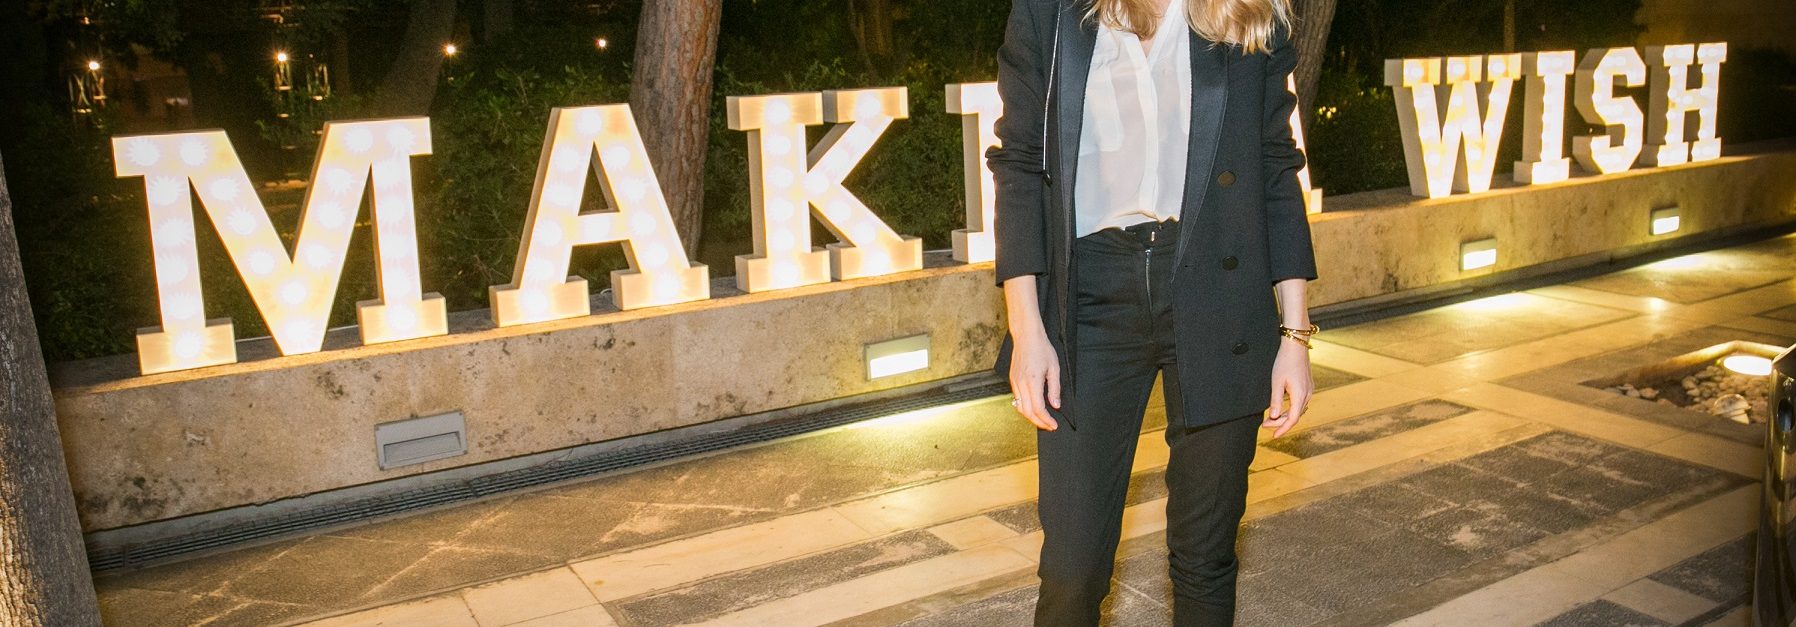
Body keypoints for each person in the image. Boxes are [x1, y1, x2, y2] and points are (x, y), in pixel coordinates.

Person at [987, 0, 1320, 623]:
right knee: (1073, 569)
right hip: (1088, 299)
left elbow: (1276, 166)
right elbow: (1020, 162)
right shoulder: (1051, 11)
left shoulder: (1244, 11)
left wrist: (1294, 334)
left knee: (1205, 559)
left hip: (1218, 289)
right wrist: (1027, 328)